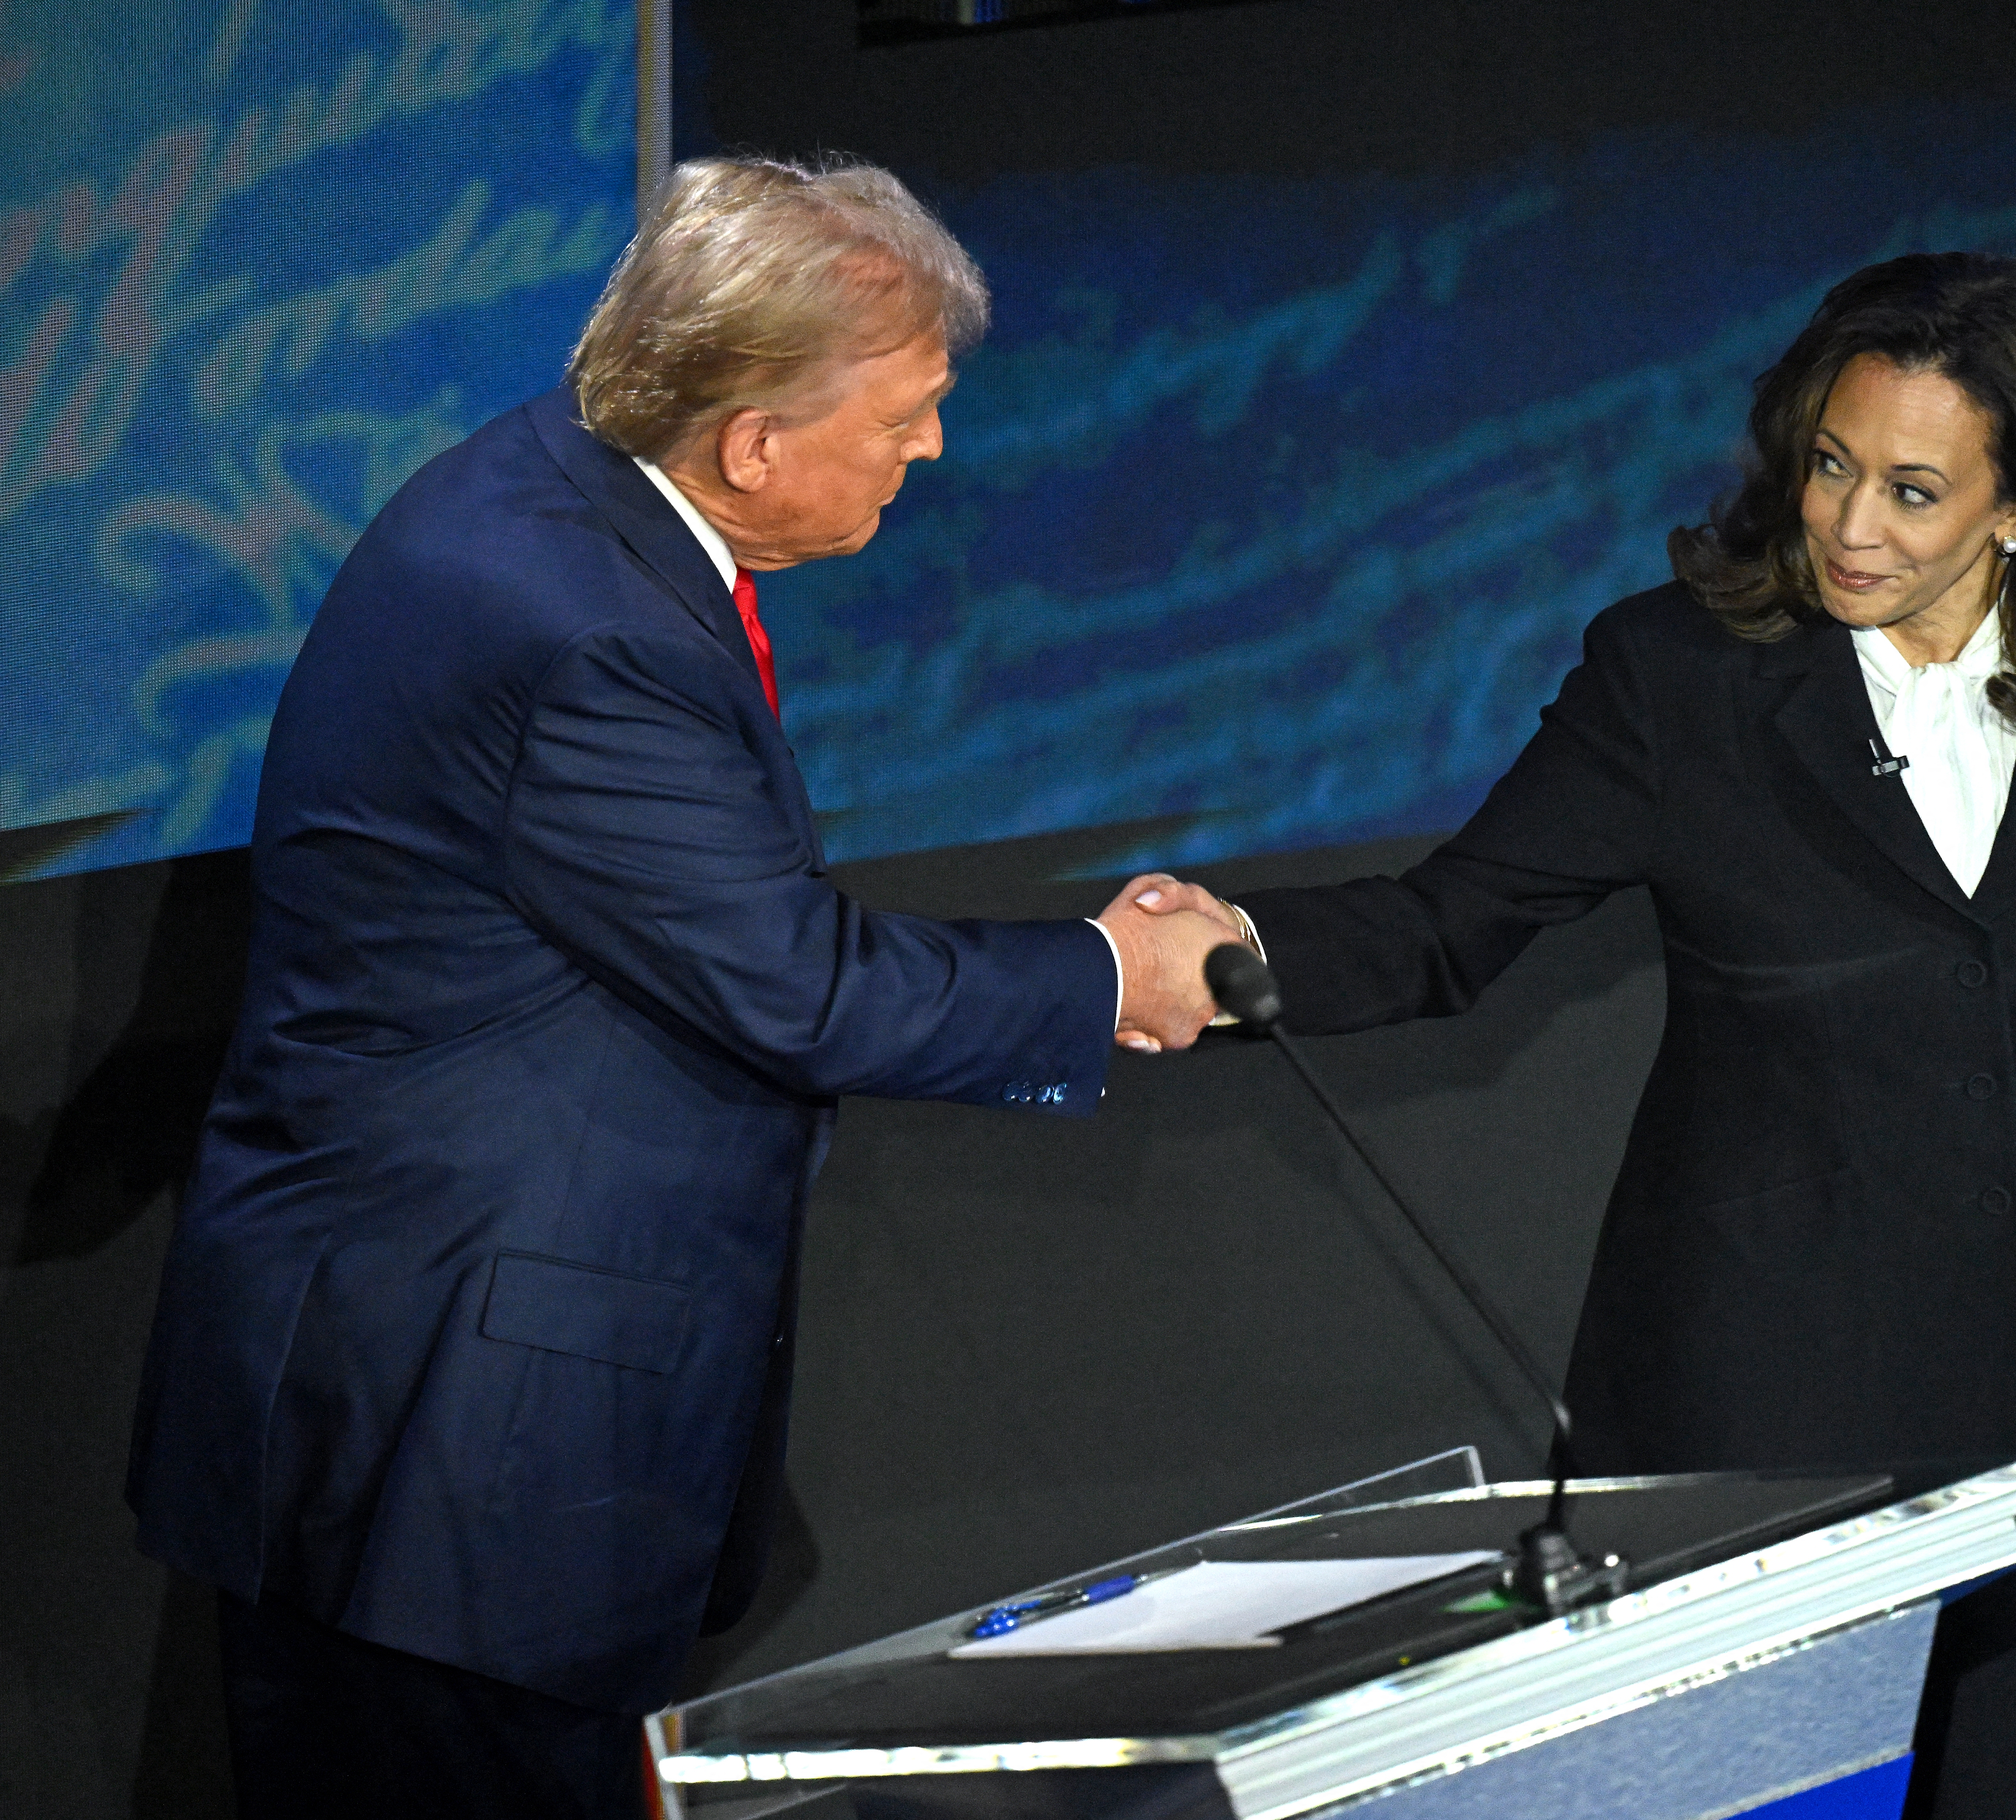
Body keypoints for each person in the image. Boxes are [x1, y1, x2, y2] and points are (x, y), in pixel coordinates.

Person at [124, 156, 1237, 1820]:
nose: (929, 451)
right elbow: (791, 982)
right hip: (459, 1451)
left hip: (396, 1393)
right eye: (905, 417)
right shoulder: (592, 635)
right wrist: (1107, 976)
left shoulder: (543, 486)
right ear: (753, 443)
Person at [1142, 253, 2016, 1817]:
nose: (1848, 525)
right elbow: (1449, 921)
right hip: (1766, 1405)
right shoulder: (1674, 674)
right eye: (1828, 465)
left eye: (1909, 489)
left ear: (2013, 507)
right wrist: (1226, 953)